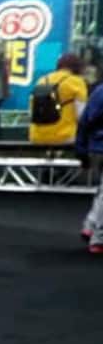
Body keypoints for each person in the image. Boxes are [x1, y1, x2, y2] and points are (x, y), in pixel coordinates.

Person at [29, 53, 88, 146]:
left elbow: (32, 110)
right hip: (66, 137)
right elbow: (81, 115)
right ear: (77, 67)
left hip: (36, 137)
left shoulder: (42, 80)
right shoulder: (76, 82)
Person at [76, 82, 103, 253]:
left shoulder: (98, 91)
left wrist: (81, 150)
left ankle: (90, 225)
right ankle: (99, 238)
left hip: (95, 148)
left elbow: (84, 121)